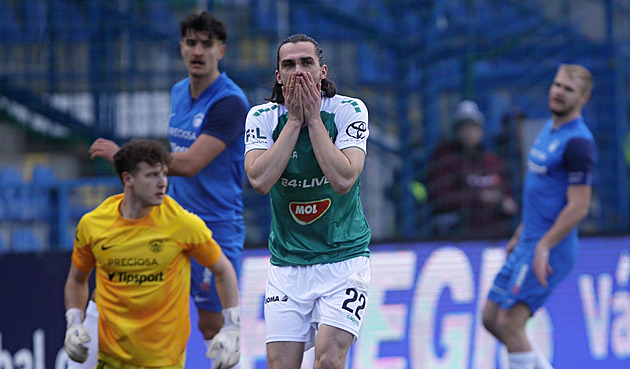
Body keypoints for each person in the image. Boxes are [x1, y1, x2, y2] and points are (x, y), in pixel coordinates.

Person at [86, 10, 249, 366]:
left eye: (207, 45)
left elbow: (189, 164)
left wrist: (126, 156)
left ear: (221, 51)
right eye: (191, 43)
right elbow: (174, 156)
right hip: (170, 217)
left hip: (215, 223)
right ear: (181, 47)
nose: (198, 51)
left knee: (213, 326)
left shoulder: (230, 102)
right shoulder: (178, 91)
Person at [244, 34, 371, 369]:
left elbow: (344, 179)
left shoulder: (348, 110)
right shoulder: (262, 117)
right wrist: (296, 120)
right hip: (287, 264)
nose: (298, 72)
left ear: (323, 71)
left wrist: (313, 119)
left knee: (328, 360)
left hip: (344, 259)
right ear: (278, 76)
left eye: (306, 63)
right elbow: (258, 180)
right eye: (289, 64)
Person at [63, 139, 241, 369]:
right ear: (128, 179)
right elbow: (76, 279)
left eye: (164, 174)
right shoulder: (93, 224)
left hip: (162, 360)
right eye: (152, 175)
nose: (163, 183)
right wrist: (74, 323)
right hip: (106, 352)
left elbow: (223, 270)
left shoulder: (182, 223)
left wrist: (232, 325)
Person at [482, 64, 596, 369]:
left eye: (568, 90)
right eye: (557, 85)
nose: (559, 92)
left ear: (583, 98)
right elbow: (542, 193)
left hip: (550, 247)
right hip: (529, 240)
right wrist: (521, 234)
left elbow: (579, 206)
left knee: (510, 323)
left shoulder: (578, 143)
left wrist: (543, 245)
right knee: (491, 318)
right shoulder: (549, 127)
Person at [426, 99, 519, 238]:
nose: (469, 131)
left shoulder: (494, 162)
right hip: (460, 233)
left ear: (481, 130)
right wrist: (478, 198)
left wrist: (504, 202)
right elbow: (440, 200)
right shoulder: (444, 160)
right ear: (456, 130)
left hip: (496, 233)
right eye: (463, 127)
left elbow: (508, 196)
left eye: (473, 126)